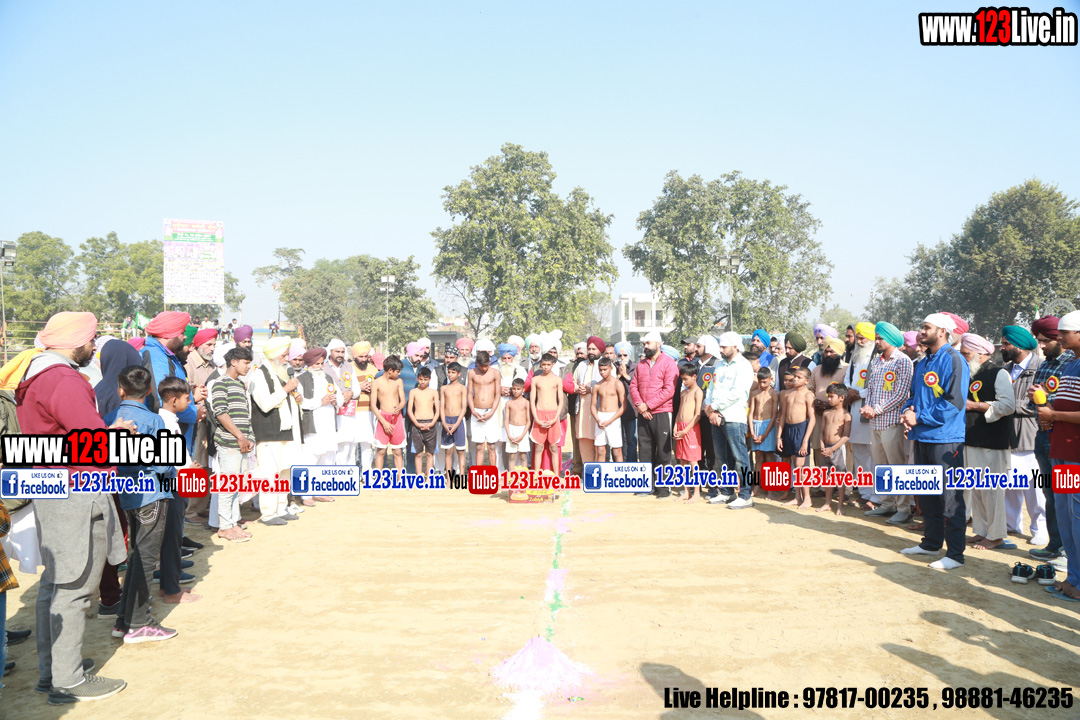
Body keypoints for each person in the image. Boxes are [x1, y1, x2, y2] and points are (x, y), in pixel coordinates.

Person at [16, 312, 129, 703]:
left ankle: (53, 672)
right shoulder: (63, 379)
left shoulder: (37, 374)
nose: (94, 346)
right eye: (92, 339)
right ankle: (68, 681)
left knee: (55, 586)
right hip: (76, 491)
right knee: (75, 589)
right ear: (76, 341)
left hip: (54, 487)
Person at [106, 367, 182, 643]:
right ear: (149, 390)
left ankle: (124, 620)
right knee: (145, 559)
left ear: (120, 390)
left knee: (137, 555)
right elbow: (162, 464)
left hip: (127, 493)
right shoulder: (153, 420)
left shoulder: (110, 419)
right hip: (152, 494)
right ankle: (139, 624)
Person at [900, 313, 969, 571]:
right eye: (922, 327)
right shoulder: (922, 362)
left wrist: (919, 417)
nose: (921, 331)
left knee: (950, 498)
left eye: (926, 327)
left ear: (942, 331)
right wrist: (907, 413)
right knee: (927, 494)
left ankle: (955, 554)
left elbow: (955, 402)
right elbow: (914, 396)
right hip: (923, 437)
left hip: (946, 439)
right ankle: (930, 543)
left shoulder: (954, 359)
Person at [1036, 310, 1080, 601]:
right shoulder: (1070, 365)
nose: (1059, 337)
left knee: (1078, 517)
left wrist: (1054, 415)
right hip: (1061, 451)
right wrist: (1048, 416)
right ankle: (1073, 577)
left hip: (1076, 455)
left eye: (1064, 332)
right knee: (1065, 517)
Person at [959, 333, 1014, 550]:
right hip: (970, 439)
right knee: (975, 489)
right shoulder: (969, 373)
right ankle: (982, 531)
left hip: (992, 441)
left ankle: (996, 535)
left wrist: (976, 406)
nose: (963, 357)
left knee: (992, 491)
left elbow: (1008, 405)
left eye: (966, 354)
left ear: (980, 354)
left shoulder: (998, 373)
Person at [1028, 315, 1075, 563]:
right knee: (1051, 492)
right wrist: (1036, 398)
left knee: (1068, 496)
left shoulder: (1072, 363)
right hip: (1044, 436)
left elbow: (1068, 401)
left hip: (1067, 439)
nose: (1042, 345)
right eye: (1040, 340)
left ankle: (1068, 552)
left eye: (1047, 340)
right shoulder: (1046, 364)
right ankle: (1056, 544)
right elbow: (1036, 401)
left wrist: (1050, 409)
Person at [862, 322, 916, 519]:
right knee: (881, 466)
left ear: (892, 340)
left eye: (880, 338)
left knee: (896, 466)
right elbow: (871, 389)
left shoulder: (903, 361)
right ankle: (887, 503)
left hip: (891, 421)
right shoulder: (877, 361)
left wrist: (876, 410)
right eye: (876, 338)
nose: (877, 342)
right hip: (875, 422)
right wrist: (868, 407)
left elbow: (901, 394)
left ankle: (903, 509)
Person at [249, 336, 302, 526]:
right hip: (268, 433)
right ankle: (268, 514)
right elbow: (265, 404)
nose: (287, 359)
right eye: (284, 355)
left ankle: (281, 508)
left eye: (287, 355)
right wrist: (286, 389)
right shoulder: (259, 375)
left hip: (286, 431)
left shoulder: (283, 375)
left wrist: (296, 398)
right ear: (272, 356)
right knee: (269, 474)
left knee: (284, 472)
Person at [1001, 325, 1046, 545]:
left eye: (1006, 344)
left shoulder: (1041, 368)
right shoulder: (1006, 369)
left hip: (1031, 435)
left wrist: (1008, 405)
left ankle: (1040, 529)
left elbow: (1040, 404)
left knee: (1035, 488)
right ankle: (1011, 524)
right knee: (1010, 485)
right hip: (1008, 436)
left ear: (1019, 346)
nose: (1002, 347)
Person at [703, 332, 755, 508]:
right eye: (720, 346)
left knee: (740, 458)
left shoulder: (743, 365)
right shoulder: (719, 365)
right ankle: (727, 492)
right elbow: (711, 389)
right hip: (716, 416)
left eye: (724, 346)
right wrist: (710, 409)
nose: (721, 349)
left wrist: (714, 407)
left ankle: (746, 495)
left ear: (735, 347)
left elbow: (737, 392)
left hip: (734, 417)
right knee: (722, 458)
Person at [210, 346, 255, 542]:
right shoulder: (220, 383)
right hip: (229, 443)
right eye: (245, 363)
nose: (248, 367)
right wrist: (240, 437)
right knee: (228, 487)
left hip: (241, 443)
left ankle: (233, 523)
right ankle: (225, 527)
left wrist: (249, 438)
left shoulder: (240, 384)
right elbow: (220, 413)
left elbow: (246, 415)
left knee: (236, 486)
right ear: (233, 362)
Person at [630, 331, 678, 496]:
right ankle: (645, 485)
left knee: (663, 453)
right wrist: (640, 405)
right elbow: (633, 386)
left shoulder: (669, 363)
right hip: (643, 413)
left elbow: (669, 390)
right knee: (644, 450)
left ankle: (663, 487)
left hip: (662, 412)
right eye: (644, 343)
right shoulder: (641, 364)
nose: (645, 346)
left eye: (648, 343)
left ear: (658, 344)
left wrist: (648, 406)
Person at [296, 348, 341, 504]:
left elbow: (340, 398)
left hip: (329, 424)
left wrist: (335, 401)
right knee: (309, 459)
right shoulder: (300, 379)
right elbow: (300, 403)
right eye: (317, 364)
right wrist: (320, 402)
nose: (320, 367)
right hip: (312, 425)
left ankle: (321, 491)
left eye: (322, 363)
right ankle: (305, 495)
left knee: (327, 458)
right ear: (309, 364)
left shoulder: (329, 378)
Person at [183, 328, 217, 524]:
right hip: (194, 422)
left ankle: (201, 507)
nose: (212, 348)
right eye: (208, 344)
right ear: (198, 345)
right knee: (196, 464)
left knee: (207, 465)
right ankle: (190, 511)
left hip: (210, 422)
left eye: (214, 345)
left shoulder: (213, 366)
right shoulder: (188, 364)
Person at [844, 323, 879, 507]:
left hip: (870, 408)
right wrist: (849, 391)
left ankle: (877, 496)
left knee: (873, 454)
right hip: (854, 408)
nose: (859, 341)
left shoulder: (876, 356)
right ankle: (865, 493)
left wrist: (860, 393)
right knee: (858, 452)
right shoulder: (855, 356)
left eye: (862, 338)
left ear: (871, 338)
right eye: (857, 338)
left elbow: (877, 383)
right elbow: (847, 379)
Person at [778, 366, 815, 509]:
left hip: (801, 429)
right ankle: (797, 497)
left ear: (806, 381)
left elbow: (812, 419)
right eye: (795, 376)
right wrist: (779, 436)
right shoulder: (787, 394)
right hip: (788, 429)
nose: (795, 379)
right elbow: (783, 415)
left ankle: (808, 498)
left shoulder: (808, 395)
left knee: (800, 466)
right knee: (794, 465)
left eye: (799, 377)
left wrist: (805, 440)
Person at [808, 337, 848, 468]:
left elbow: (848, 392)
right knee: (818, 449)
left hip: (838, 418)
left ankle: (839, 479)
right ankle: (822, 479)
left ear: (840, 352)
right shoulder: (817, 370)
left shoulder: (847, 369)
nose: (828, 354)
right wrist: (815, 401)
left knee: (839, 451)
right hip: (818, 415)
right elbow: (809, 389)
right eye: (826, 351)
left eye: (832, 352)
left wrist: (831, 405)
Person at [819, 382, 851, 514]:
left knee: (840, 477)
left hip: (837, 449)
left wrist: (832, 449)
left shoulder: (846, 415)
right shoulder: (826, 413)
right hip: (825, 448)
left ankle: (840, 505)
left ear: (841, 397)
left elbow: (846, 436)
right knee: (827, 476)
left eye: (832, 396)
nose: (829, 399)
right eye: (828, 396)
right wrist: (823, 447)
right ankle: (827, 503)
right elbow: (821, 432)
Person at [573, 337, 606, 466]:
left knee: (599, 443)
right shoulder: (581, 365)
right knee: (584, 440)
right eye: (589, 349)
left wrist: (590, 389)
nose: (591, 351)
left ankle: (599, 471)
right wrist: (578, 388)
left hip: (599, 412)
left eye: (594, 349)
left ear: (600, 350)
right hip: (582, 411)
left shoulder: (606, 365)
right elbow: (573, 382)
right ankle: (588, 472)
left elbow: (609, 386)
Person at [530, 353, 566, 472]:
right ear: (540, 364)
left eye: (548, 364)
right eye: (544, 364)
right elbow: (532, 401)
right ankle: (536, 476)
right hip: (539, 415)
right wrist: (537, 419)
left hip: (553, 415)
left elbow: (561, 401)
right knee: (538, 447)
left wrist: (555, 418)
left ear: (553, 364)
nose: (546, 367)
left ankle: (556, 476)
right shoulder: (535, 379)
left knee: (554, 447)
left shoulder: (557, 380)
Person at [674, 364, 703, 502]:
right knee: (683, 461)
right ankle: (686, 492)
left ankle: (696, 493)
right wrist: (675, 426)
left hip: (691, 429)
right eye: (682, 379)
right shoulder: (683, 393)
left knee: (692, 462)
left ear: (694, 376)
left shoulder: (698, 392)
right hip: (680, 427)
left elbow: (698, 415)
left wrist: (685, 431)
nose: (684, 382)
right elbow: (679, 411)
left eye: (686, 379)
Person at [372, 355, 407, 470]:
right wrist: (384, 422)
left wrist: (400, 406)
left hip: (397, 419)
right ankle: (379, 477)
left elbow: (403, 400)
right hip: (382, 418)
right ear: (390, 370)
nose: (399, 373)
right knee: (381, 451)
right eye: (398, 371)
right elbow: (373, 406)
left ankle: (400, 477)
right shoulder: (376, 383)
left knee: (397, 451)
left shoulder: (398, 381)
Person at [468, 350, 501, 466]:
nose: (484, 368)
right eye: (481, 366)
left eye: (486, 365)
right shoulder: (472, 373)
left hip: (491, 411)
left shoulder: (495, 373)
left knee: (491, 446)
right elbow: (469, 393)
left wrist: (492, 412)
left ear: (489, 362)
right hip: (477, 411)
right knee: (479, 446)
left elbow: (498, 394)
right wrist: (473, 411)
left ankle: (493, 473)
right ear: (477, 363)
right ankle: (479, 473)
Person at [591, 356, 625, 462]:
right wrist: (597, 419)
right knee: (600, 450)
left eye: (605, 369)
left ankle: (619, 472)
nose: (602, 372)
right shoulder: (597, 385)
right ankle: (601, 471)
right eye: (600, 370)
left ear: (611, 368)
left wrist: (610, 420)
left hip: (613, 417)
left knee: (617, 450)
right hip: (600, 417)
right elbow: (593, 405)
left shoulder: (617, 384)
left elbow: (624, 406)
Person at [351, 341, 379, 470]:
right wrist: (359, 387)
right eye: (360, 357)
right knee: (352, 444)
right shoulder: (348, 369)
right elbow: (343, 388)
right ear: (354, 356)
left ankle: (366, 471)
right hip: (352, 412)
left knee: (367, 443)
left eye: (365, 356)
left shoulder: (373, 370)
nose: (363, 359)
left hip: (369, 411)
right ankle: (352, 472)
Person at [408, 367, 441, 476]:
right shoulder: (413, 392)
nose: (423, 382)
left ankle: (429, 477)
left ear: (429, 379)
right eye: (421, 379)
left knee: (429, 453)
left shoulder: (434, 392)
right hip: (416, 424)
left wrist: (432, 423)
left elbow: (437, 411)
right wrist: (417, 423)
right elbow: (410, 410)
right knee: (418, 453)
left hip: (430, 423)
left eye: (425, 379)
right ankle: (419, 476)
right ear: (418, 378)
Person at [439, 362, 468, 474]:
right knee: (448, 451)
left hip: (458, 421)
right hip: (446, 420)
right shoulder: (443, 388)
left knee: (460, 451)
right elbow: (442, 407)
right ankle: (449, 478)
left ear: (459, 374)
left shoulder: (462, 388)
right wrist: (444, 423)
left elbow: (464, 407)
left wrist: (456, 424)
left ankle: (461, 476)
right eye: (449, 372)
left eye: (453, 372)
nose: (450, 374)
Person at [748, 367, 778, 472]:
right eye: (760, 382)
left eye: (765, 382)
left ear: (771, 379)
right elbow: (751, 414)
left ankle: (770, 482)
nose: (762, 385)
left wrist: (765, 434)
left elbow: (774, 415)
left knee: (769, 457)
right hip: (755, 424)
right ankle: (757, 482)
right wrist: (752, 432)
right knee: (758, 457)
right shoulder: (754, 393)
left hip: (768, 425)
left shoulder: (773, 394)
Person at [614, 342, 637, 462]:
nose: (622, 358)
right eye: (620, 356)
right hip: (615, 410)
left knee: (631, 440)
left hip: (632, 410)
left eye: (625, 355)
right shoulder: (612, 367)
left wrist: (626, 376)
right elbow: (608, 385)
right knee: (618, 441)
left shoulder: (636, 367)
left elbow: (638, 384)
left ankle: (631, 465)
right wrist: (618, 375)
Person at [503, 378, 531, 469]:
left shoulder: (526, 403)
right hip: (512, 430)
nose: (516, 391)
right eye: (514, 389)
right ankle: (511, 475)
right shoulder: (509, 403)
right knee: (512, 456)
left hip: (523, 430)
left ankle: (524, 475)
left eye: (518, 389)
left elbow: (528, 421)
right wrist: (509, 434)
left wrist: (522, 435)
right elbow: (506, 420)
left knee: (523, 455)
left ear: (523, 389)